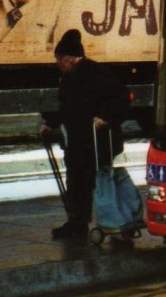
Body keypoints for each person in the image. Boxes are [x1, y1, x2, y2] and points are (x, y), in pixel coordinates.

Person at [40, 29, 128, 239]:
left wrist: (105, 117)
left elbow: (122, 97)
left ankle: (109, 221)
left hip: (96, 142)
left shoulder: (95, 72)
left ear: (70, 58)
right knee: (76, 181)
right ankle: (77, 223)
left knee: (91, 183)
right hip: (78, 142)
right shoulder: (69, 77)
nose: (57, 63)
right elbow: (67, 107)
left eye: (59, 59)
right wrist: (50, 123)